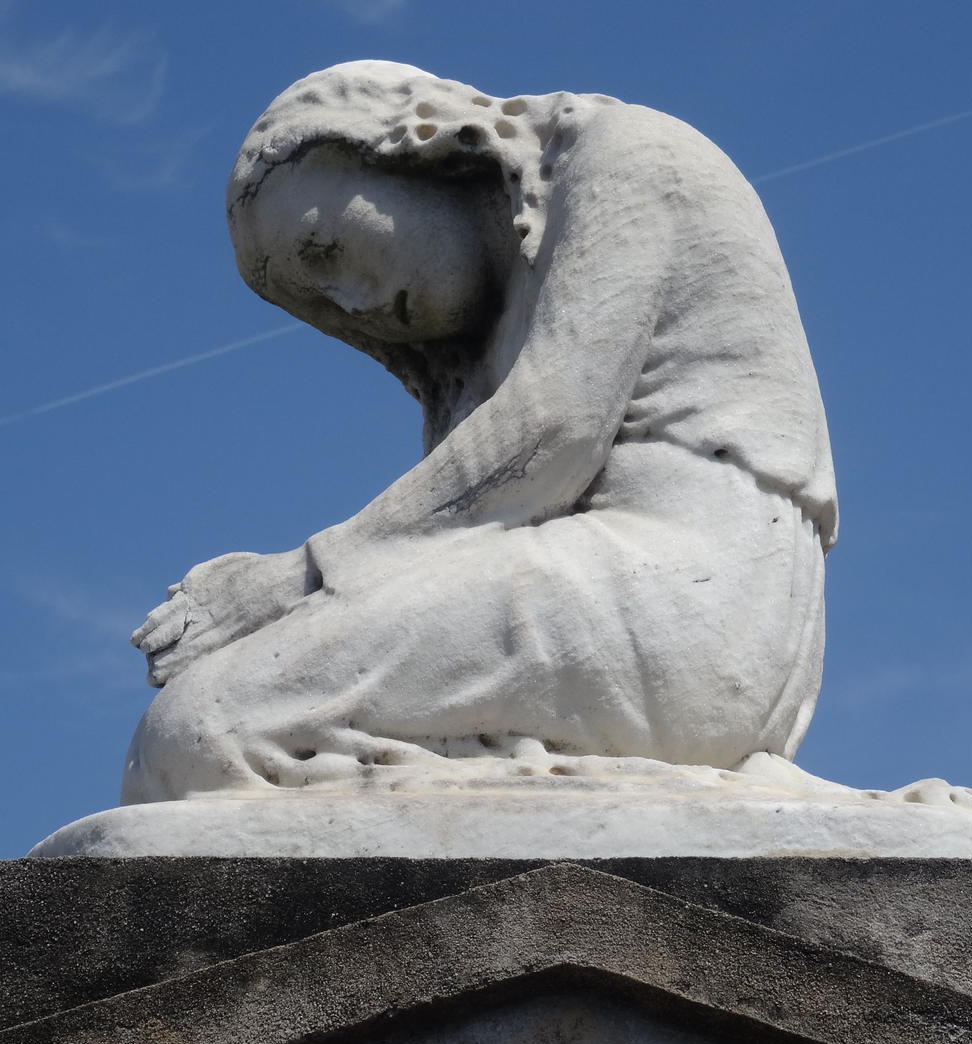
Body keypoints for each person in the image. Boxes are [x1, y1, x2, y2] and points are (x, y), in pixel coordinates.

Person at [123, 61, 839, 803]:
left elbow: (555, 430)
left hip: (693, 609)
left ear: (406, 145)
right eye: (319, 300)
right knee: (183, 748)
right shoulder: (482, 343)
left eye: (324, 249)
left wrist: (292, 580)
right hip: (621, 605)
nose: (349, 301)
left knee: (203, 729)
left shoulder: (627, 155)